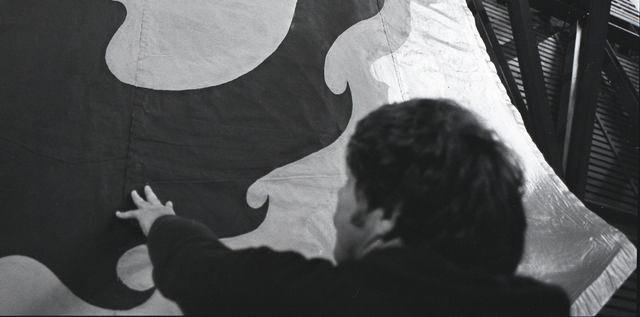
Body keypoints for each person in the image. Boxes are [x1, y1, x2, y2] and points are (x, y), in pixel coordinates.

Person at [116, 98, 570, 315]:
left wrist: (161, 223)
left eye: (350, 182)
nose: (336, 198)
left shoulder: (326, 303)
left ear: (386, 212)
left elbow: (201, 273)